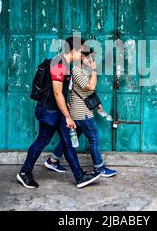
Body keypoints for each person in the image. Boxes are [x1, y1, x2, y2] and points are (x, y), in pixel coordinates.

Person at [17, 37, 101, 189]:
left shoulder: (66, 64)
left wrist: (66, 109)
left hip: (58, 111)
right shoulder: (58, 63)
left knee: (67, 143)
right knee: (42, 141)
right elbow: (57, 93)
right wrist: (68, 116)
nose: (82, 54)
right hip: (49, 111)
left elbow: (61, 92)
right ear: (74, 50)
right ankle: (24, 173)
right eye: (80, 51)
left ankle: (80, 177)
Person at [44, 46, 117, 178]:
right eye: (89, 57)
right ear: (82, 57)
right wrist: (94, 70)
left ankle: (53, 159)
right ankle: (99, 168)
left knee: (71, 138)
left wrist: (97, 102)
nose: (91, 60)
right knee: (94, 137)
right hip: (81, 112)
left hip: (82, 110)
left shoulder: (82, 70)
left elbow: (87, 91)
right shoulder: (77, 70)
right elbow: (90, 86)